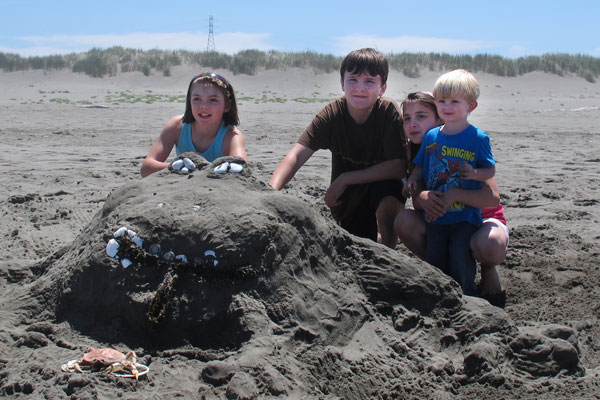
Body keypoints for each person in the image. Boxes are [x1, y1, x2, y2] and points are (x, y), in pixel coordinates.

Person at [269, 48, 407, 248]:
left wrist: (346, 178)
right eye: (353, 80)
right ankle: (374, 236)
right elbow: (296, 155)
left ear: (382, 88)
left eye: (369, 81)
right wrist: (270, 191)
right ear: (342, 83)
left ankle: (390, 248)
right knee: (361, 242)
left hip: (382, 186)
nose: (360, 87)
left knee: (387, 196)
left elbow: (398, 167)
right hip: (349, 194)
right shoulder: (332, 114)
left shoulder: (388, 112)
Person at [395, 91, 508, 307]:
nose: (413, 124)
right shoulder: (416, 151)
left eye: (422, 116)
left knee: (484, 246)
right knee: (406, 222)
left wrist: (455, 194)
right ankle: (443, 275)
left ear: (440, 117)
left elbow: (492, 198)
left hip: (478, 220)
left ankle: (487, 268)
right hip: (442, 217)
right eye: (407, 118)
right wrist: (421, 195)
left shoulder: (466, 141)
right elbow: (419, 199)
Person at [141, 72, 247, 177]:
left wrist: (203, 168)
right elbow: (146, 168)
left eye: (213, 100)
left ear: (227, 105)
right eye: (197, 99)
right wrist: (176, 166)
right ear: (189, 101)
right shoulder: (177, 126)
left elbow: (240, 170)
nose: (203, 106)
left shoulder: (232, 136)